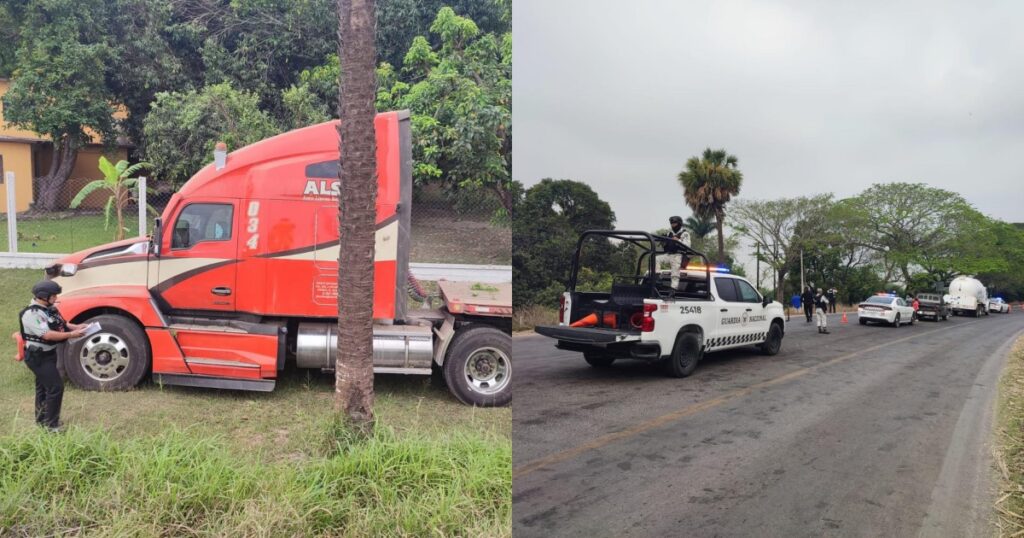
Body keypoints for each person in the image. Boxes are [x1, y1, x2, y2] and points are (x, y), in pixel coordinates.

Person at [19, 280, 86, 432]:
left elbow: (62, 323)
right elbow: (48, 335)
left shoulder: (50, 309)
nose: (56, 297)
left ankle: (42, 420)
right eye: (53, 295)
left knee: (43, 388)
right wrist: (71, 334)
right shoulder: (32, 314)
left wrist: (78, 327)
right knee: (56, 387)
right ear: (43, 296)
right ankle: (51, 425)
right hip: (38, 357)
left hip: (49, 354)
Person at [658, 216, 691, 290]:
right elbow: (664, 245)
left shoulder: (685, 234)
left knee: (675, 271)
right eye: (672, 223)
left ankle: (673, 290)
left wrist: (678, 240)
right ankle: (657, 278)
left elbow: (687, 245)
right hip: (669, 254)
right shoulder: (669, 233)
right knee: (656, 259)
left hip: (678, 255)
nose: (673, 225)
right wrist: (663, 241)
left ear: (679, 224)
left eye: (674, 223)